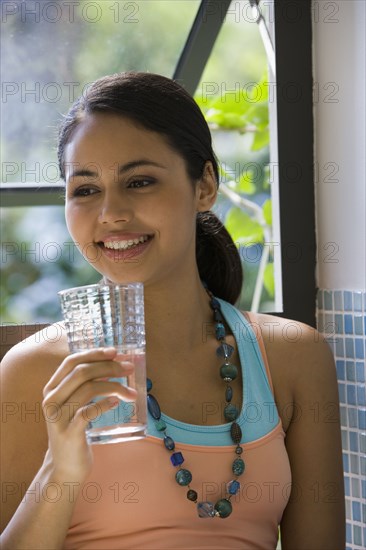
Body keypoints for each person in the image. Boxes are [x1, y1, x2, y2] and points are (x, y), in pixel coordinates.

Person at [1, 72, 345, 549]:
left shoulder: (294, 357)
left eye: (139, 181)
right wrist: (59, 470)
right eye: (85, 190)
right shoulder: (32, 373)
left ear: (204, 185)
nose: (111, 213)